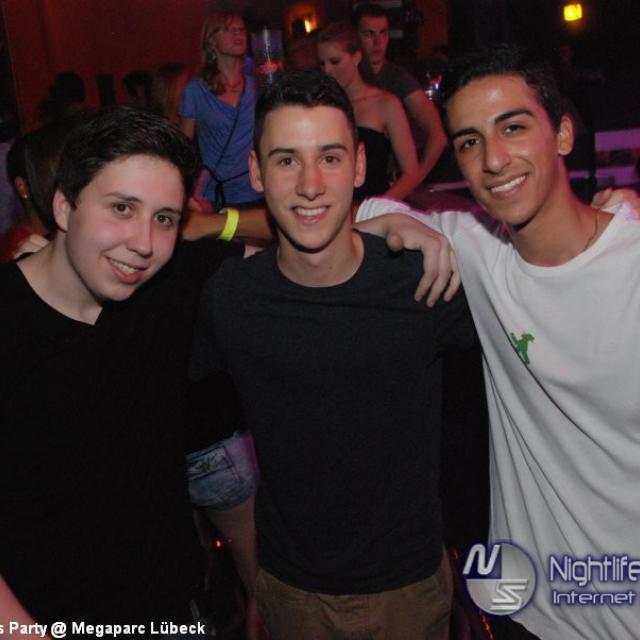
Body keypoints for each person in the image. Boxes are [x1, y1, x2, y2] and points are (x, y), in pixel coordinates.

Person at [355, 44, 640, 640]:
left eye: (513, 127)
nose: (492, 159)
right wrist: (397, 221)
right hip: (528, 613)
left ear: (563, 134)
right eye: (469, 141)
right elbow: (359, 210)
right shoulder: (480, 250)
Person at [190, 69, 476, 640]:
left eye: (330, 157)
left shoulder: (420, 279)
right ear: (256, 171)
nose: (311, 184)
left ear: (360, 166)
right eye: (287, 160)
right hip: (290, 590)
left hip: (408, 590)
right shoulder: (231, 298)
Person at [0, 106, 240, 630]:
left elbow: (301, 249)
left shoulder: (167, 285)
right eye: (122, 208)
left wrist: (382, 222)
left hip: (178, 612)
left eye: (164, 218)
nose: (143, 243)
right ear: (64, 206)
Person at [317, 21, 420, 202]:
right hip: (334, 208)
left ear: (356, 57)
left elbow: (411, 173)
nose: (327, 70)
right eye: (322, 63)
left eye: (334, 61)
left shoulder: (386, 103)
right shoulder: (323, 105)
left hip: (374, 207)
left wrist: (374, 209)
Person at [352, 2, 447, 186]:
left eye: (383, 33)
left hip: (389, 181)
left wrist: (414, 180)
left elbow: (438, 134)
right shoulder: (350, 76)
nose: (378, 42)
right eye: (369, 34)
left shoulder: (397, 78)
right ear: (355, 37)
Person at [179, 11, 261, 210]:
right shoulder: (195, 90)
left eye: (241, 29)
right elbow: (183, 148)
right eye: (227, 29)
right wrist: (188, 191)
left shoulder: (257, 85)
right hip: (216, 195)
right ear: (211, 41)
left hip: (258, 189)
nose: (237, 33)